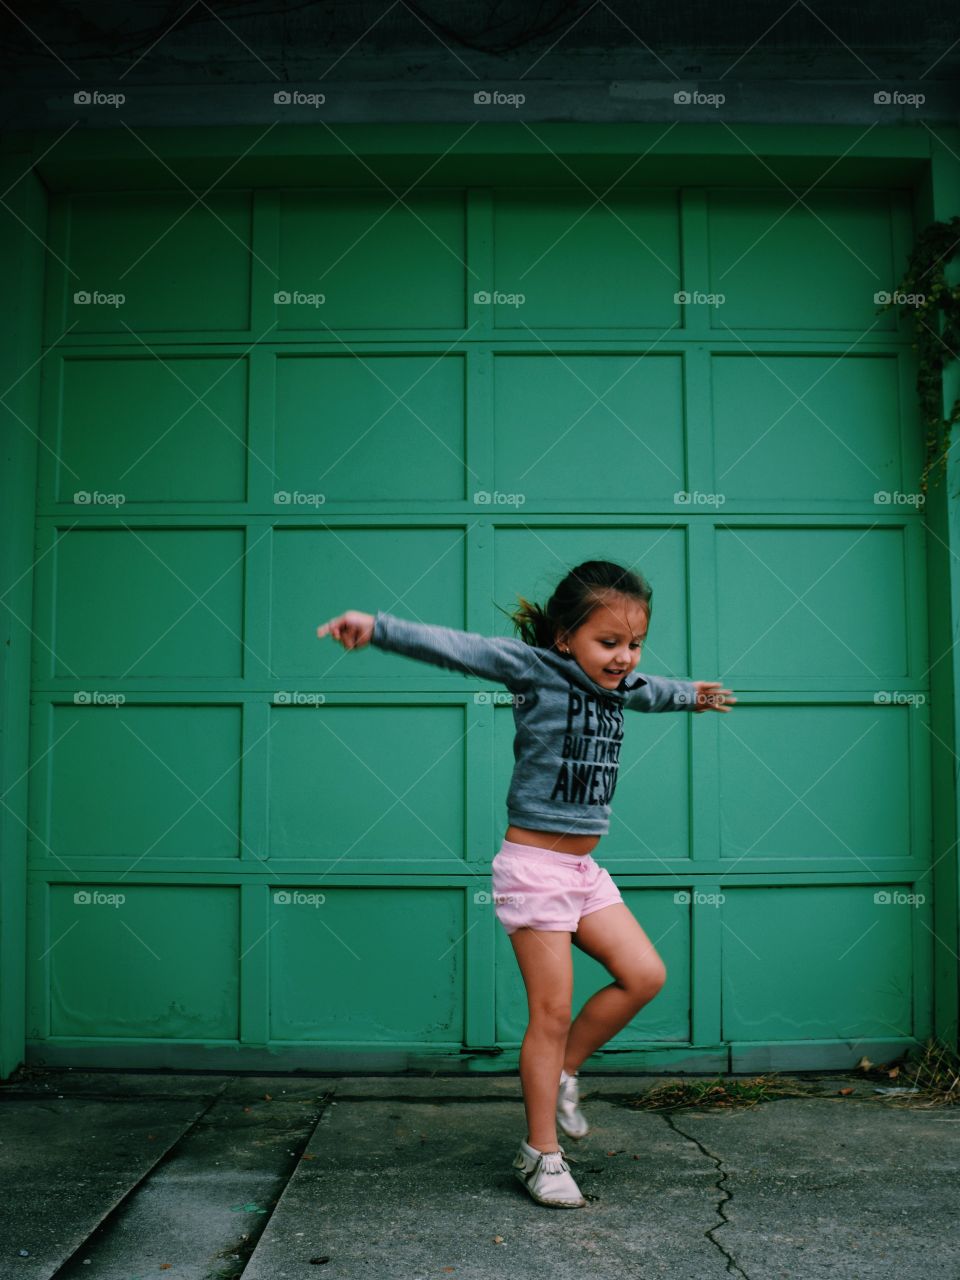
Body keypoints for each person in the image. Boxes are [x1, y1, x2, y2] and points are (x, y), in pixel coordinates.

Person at [317, 559, 736, 1210]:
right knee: (552, 1010)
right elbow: (461, 649)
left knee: (644, 974)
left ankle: (565, 1069)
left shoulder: (622, 685)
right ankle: (542, 1155)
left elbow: (653, 689)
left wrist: (694, 694)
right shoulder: (533, 669)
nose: (624, 657)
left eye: (634, 643)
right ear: (565, 637)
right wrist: (377, 628)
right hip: (534, 868)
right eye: (609, 643)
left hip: (582, 871)